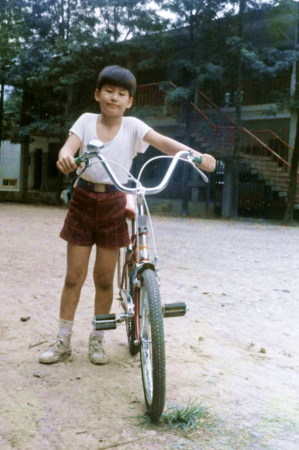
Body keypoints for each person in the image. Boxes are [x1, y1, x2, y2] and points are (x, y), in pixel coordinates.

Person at [39, 65, 216, 365]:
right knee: (74, 276)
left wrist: (196, 155)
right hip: (82, 198)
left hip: (114, 201)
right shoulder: (85, 121)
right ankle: (62, 341)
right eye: (109, 91)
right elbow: (68, 149)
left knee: (105, 279)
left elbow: (163, 142)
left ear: (130, 101)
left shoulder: (134, 126)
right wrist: (66, 158)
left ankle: (97, 340)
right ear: (97, 94)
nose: (115, 98)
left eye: (122, 94)